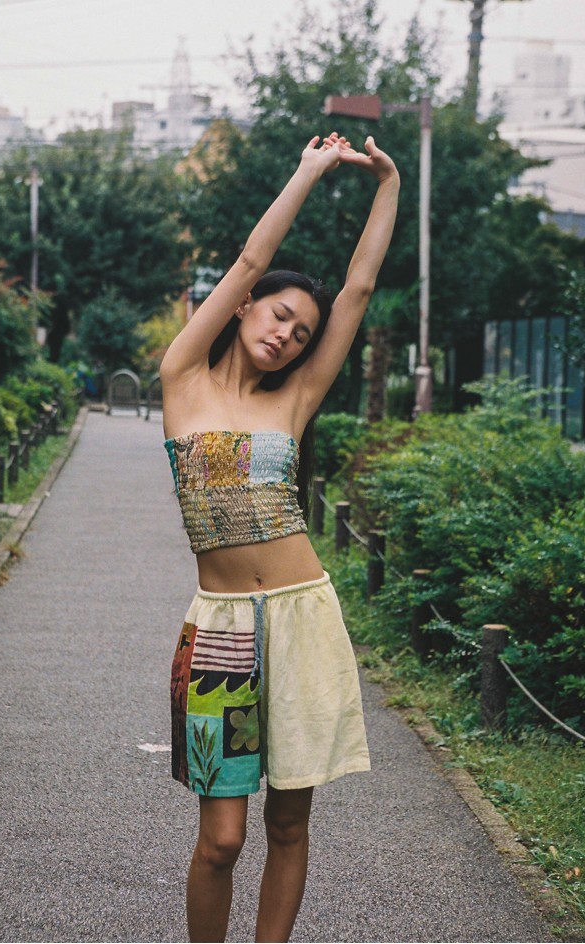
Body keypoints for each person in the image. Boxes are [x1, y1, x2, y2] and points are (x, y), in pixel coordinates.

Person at [160, 130, 400, 944]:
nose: (288, 338)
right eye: (281, 317)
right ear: (246, 307)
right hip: (221, 632)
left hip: (303, 620)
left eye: (303, 334)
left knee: (289, 828)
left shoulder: (290, 404)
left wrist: (387, 186)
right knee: (221, 840)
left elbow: (359, 290)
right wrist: (306, 172)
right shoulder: (182, 382)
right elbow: (246, 257)